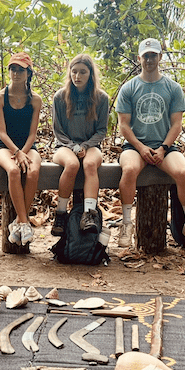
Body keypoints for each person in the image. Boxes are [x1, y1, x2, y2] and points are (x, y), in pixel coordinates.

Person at [115, 38, 185, 251]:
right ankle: (127, 223)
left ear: (160, 57)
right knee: (129, 170)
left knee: (183, 173)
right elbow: (124, 126)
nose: (149, 60)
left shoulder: (172, 88)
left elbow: (176, 124)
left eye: (153, 55)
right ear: (139, 58)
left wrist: (163, 148)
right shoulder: (129, 88)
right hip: (136, 146)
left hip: (166, 146)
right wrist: (141, 147)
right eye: (146, 56)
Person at [50, 53, 111, 236]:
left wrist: (85, 145)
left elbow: (101, 130)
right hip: (63, 146)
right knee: (72, 164)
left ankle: (89, 213)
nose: (77, 76)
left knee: (90, 164)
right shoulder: (60, 97)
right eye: (74, 72)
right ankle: (60, 213)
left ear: (90, 74)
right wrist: (73, 147)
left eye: (82, 72)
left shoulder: (101, 98)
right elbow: (58, 131)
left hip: (91, 146)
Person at [0, 51, 43, 246]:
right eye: (13, 69)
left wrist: (25, 151)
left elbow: (32, 134)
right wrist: (17, 153)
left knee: (33, 171)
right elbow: (2, 133)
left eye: (20, 70)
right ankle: (24, 221)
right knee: (13, 170)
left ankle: (19, 222)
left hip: (28, 145)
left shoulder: (35, 99)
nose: (16, 73)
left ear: (28, 73)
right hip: (5, 146)